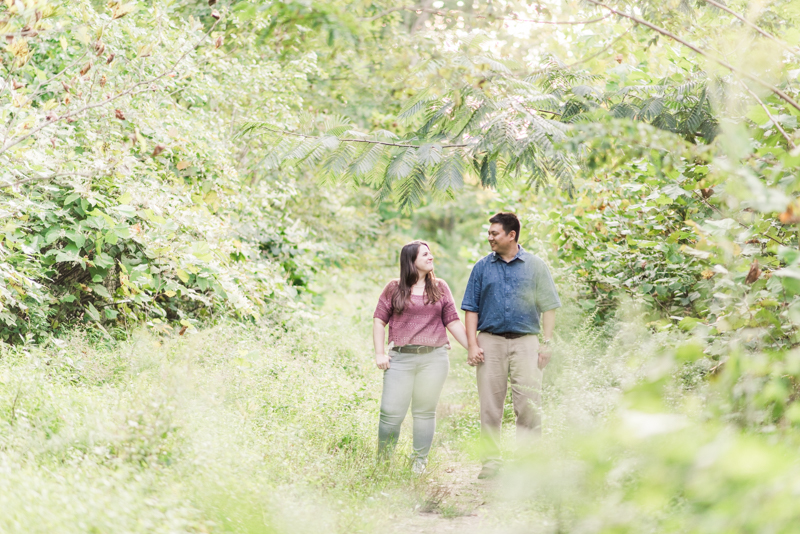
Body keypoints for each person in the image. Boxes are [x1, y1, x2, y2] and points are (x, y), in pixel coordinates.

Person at [461, 212, 561, 479]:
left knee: (529, 404)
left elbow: (549, 307)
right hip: (490, 342)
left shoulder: (536, 266)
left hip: (526, 342)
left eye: (494, 233)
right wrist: (472, 344)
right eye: (490, 233)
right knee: (490, 406)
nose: (490, 237)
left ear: (511, 235)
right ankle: (491, 462)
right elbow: (470, 309)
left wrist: (547, 343)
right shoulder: (482, 267)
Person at [373, 240, 478, 473]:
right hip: (400, 358)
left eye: (431, 254)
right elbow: (379, 321)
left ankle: (418, 462)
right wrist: (380, 353)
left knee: (424, 411)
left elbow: (453, 321)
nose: (431, 258)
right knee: (391, 412)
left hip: (434, 360)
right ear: (411, 261)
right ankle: (383, 463)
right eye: (425, 254)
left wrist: (473, 347)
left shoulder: (440, 287)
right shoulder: (393, 288)